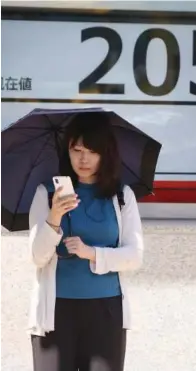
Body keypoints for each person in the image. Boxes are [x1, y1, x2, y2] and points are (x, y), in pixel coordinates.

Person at [28, 115, 144, 371]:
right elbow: (37, 257)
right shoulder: (46, 194)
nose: (83, 159)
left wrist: (91, 253)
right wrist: (54, 217)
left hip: (106, 311)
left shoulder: (122, 196)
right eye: (77, 150)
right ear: (67, 150)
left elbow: (134, 255)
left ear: (106, 154)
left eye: (93, 151)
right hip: (56, 311)